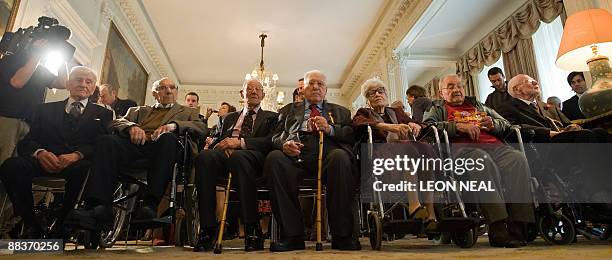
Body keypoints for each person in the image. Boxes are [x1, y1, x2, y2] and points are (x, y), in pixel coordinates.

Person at [66, 77, 207, 232]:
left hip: (165, 149)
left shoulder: (188, 111)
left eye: (172, 87)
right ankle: (98, 206)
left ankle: (150, 204)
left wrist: (173, 126)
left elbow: (201, 128)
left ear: (176, 91)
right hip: (135, 146)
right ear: (154, 93)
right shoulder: (138, 110)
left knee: (167, 138)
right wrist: (131, 127)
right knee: (106, 141)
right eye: (162, 87)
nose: (168, 91)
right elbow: (116, 122)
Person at [423, 74, 535, 248]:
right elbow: (428, 128)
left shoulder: (478, 105)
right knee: (481, 160)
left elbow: (505, 123)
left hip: (495, 148)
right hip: (463, 152)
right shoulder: (437, 108)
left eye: (459, 86)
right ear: (441, 93)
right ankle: (497, 226)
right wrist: (457, 126)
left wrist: (493, 124)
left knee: (517, 158)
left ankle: (518, 224)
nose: (456, 90)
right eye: (450, 87)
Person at [0, 66, 113, 238]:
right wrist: (40, 152)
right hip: (45, 160)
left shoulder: (104, 114)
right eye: (78, 80)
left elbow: (101, 144)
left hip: (77, 163)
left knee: (84, 170)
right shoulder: (44, 109)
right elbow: (27, 142)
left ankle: (64, 224)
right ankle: (31, 222)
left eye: (88, 82)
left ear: (93, 88)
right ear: (68, 84)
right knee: (11, 166)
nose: (83, 84)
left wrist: (77, 155)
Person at [264, 70, 360, 251]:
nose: (316, 87)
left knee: (340, 158)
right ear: (302, 89)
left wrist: (330, 129)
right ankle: (292, 236)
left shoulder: (341, 111)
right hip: (295, 156)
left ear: (326, 90)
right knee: (275, 158)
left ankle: (342, 235)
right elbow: (275, 137)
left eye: (320, 84)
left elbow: (350, 134)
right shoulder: (286, 111)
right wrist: (284, 144)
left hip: (328, 156)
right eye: (311, 83)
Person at [193, 79, 278, 252]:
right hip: (225, 157)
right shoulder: (229, 118)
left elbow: (270, 141)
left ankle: (252, 227)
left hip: (254, 159)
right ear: (242, 94)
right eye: (249, 89)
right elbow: (216, 139)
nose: (253, 92)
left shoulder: (272, 117)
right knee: (205, 157)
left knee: (239, 158)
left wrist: (240, 143)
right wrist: (222, 145)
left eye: (258, 89)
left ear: (263, 94)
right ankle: (208, 229)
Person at [352, 78, 437, 227]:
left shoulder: (396, 112)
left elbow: (420, 124)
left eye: (381, 91)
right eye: (372, 93)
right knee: (407, 148)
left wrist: (413, 124)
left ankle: (430, 213)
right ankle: (414, 204)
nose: (378, 94)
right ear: (367, 99)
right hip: (381, 155)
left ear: (386, 94)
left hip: (406, 152)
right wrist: (390, 127)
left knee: (426, 149)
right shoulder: (364, 112)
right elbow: (359, 123)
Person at [0, 40, 67, 164]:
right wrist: (37, 54)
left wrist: (63, 58)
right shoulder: (11, 60)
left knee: (14, 166)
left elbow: (63, 83)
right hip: (8, 118)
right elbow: (17, 82)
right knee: (3, 160)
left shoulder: (40, 70)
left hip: (29, 122)